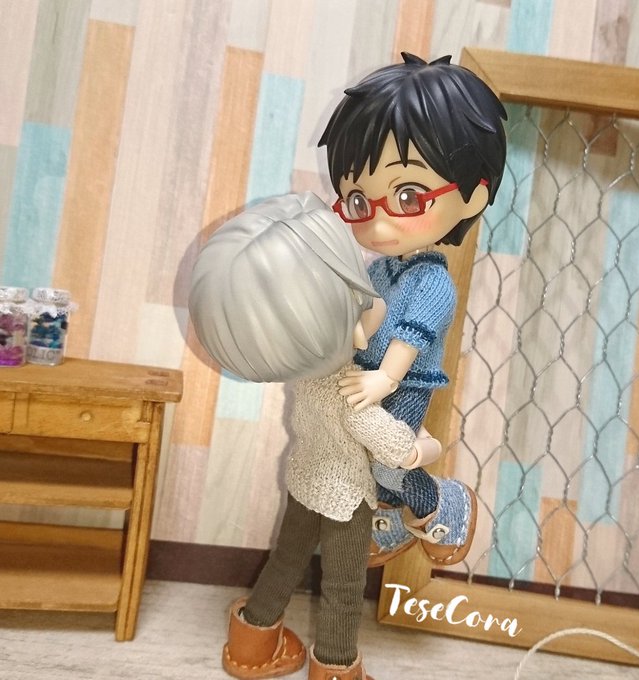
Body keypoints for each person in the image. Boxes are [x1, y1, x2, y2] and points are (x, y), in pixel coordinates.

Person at [189, 192, 441, 680]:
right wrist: (430, 445)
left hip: (305, 482)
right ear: (355, 331)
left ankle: (252, 644)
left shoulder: (305, 376)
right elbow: (399, 451)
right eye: (365, 300)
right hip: (347, 500)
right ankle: (338, 666)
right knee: (343, 588)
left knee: (286, 559)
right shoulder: (353, 391)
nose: (376, 301)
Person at [319, 53, 507, 565]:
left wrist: (385, 378)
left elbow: (411, 335)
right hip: (367, 377)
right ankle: (392, 515)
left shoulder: (431, 281)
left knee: (388, 458)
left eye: (407, 196)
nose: (377, 223)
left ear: (471, 197)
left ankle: (438, 503)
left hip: (405, 384)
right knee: (363, 455)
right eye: (359, 201)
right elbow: (369, 318)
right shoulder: (380, 270)